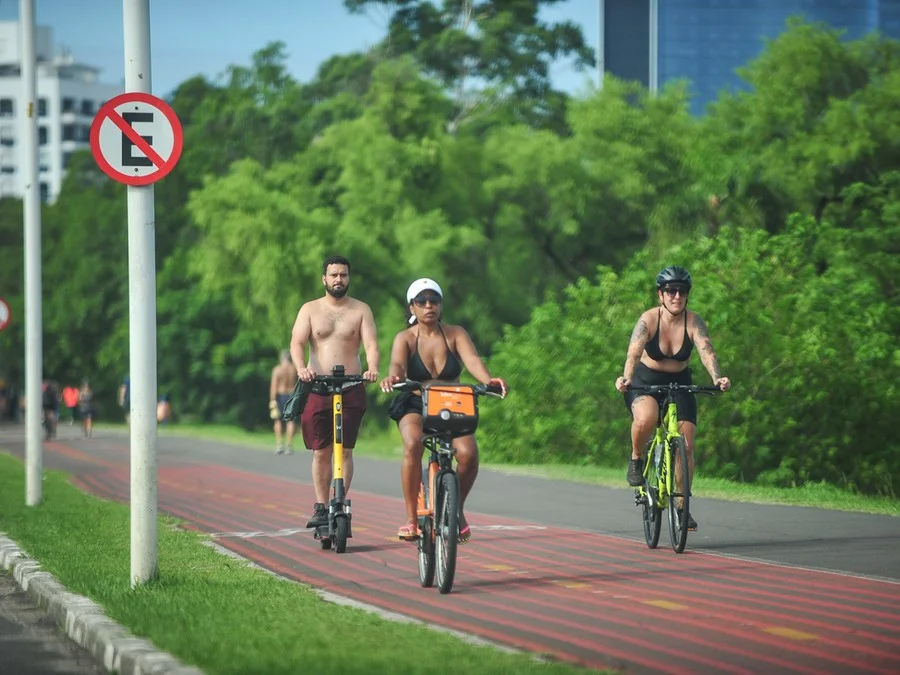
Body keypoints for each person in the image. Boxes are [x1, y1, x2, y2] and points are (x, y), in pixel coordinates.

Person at [379, 278, 508, 543]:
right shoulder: (405, 338)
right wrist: (393, 378)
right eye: (422, 301)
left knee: (468, 454)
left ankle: (455, 508)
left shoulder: (455, 333)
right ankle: (411, 519)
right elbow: (396, 365)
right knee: (413, 443)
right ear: (412, 307)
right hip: (415, 402)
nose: (429, 306)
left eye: (434, 300)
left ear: (440, 305)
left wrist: (488, 381)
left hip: (452, 402)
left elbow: (472, 360)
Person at [614, 266, 731, 531]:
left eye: (682, 291)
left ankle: (681, 507)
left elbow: (706, 350)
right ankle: (636, 458)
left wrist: (717, 378)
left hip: (680, 382)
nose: (676, 296)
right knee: (647, 418)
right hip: (644, 380)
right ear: (660, 295)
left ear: (687, 295)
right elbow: (633, 353)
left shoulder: (693, 321)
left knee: (686, 444)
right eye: (670, 291)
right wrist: (626, 377)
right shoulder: (649, 319)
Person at [290, 255, 380, 529]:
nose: (338, 279)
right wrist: (301, 368)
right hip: (318, 385)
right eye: (334, 275)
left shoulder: (361, 310)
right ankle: (320, 505)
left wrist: (372, 368)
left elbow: (372, 345)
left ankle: (339, 500)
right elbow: (297, 343)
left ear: (348, 278)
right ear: (324, 279)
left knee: (346, 449)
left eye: (343, 275)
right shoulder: (310, 309)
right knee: (321, 451)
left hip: (351, 385)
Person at [269, 350, 297, 455]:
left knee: (277, 420)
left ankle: (280, 444)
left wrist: (272, 401)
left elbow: (273, 386)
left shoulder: (277, 369)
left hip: (280, 396)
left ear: (282, 358)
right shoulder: (294, 369)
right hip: (291, 396)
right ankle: (289, 445)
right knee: (290, 421)